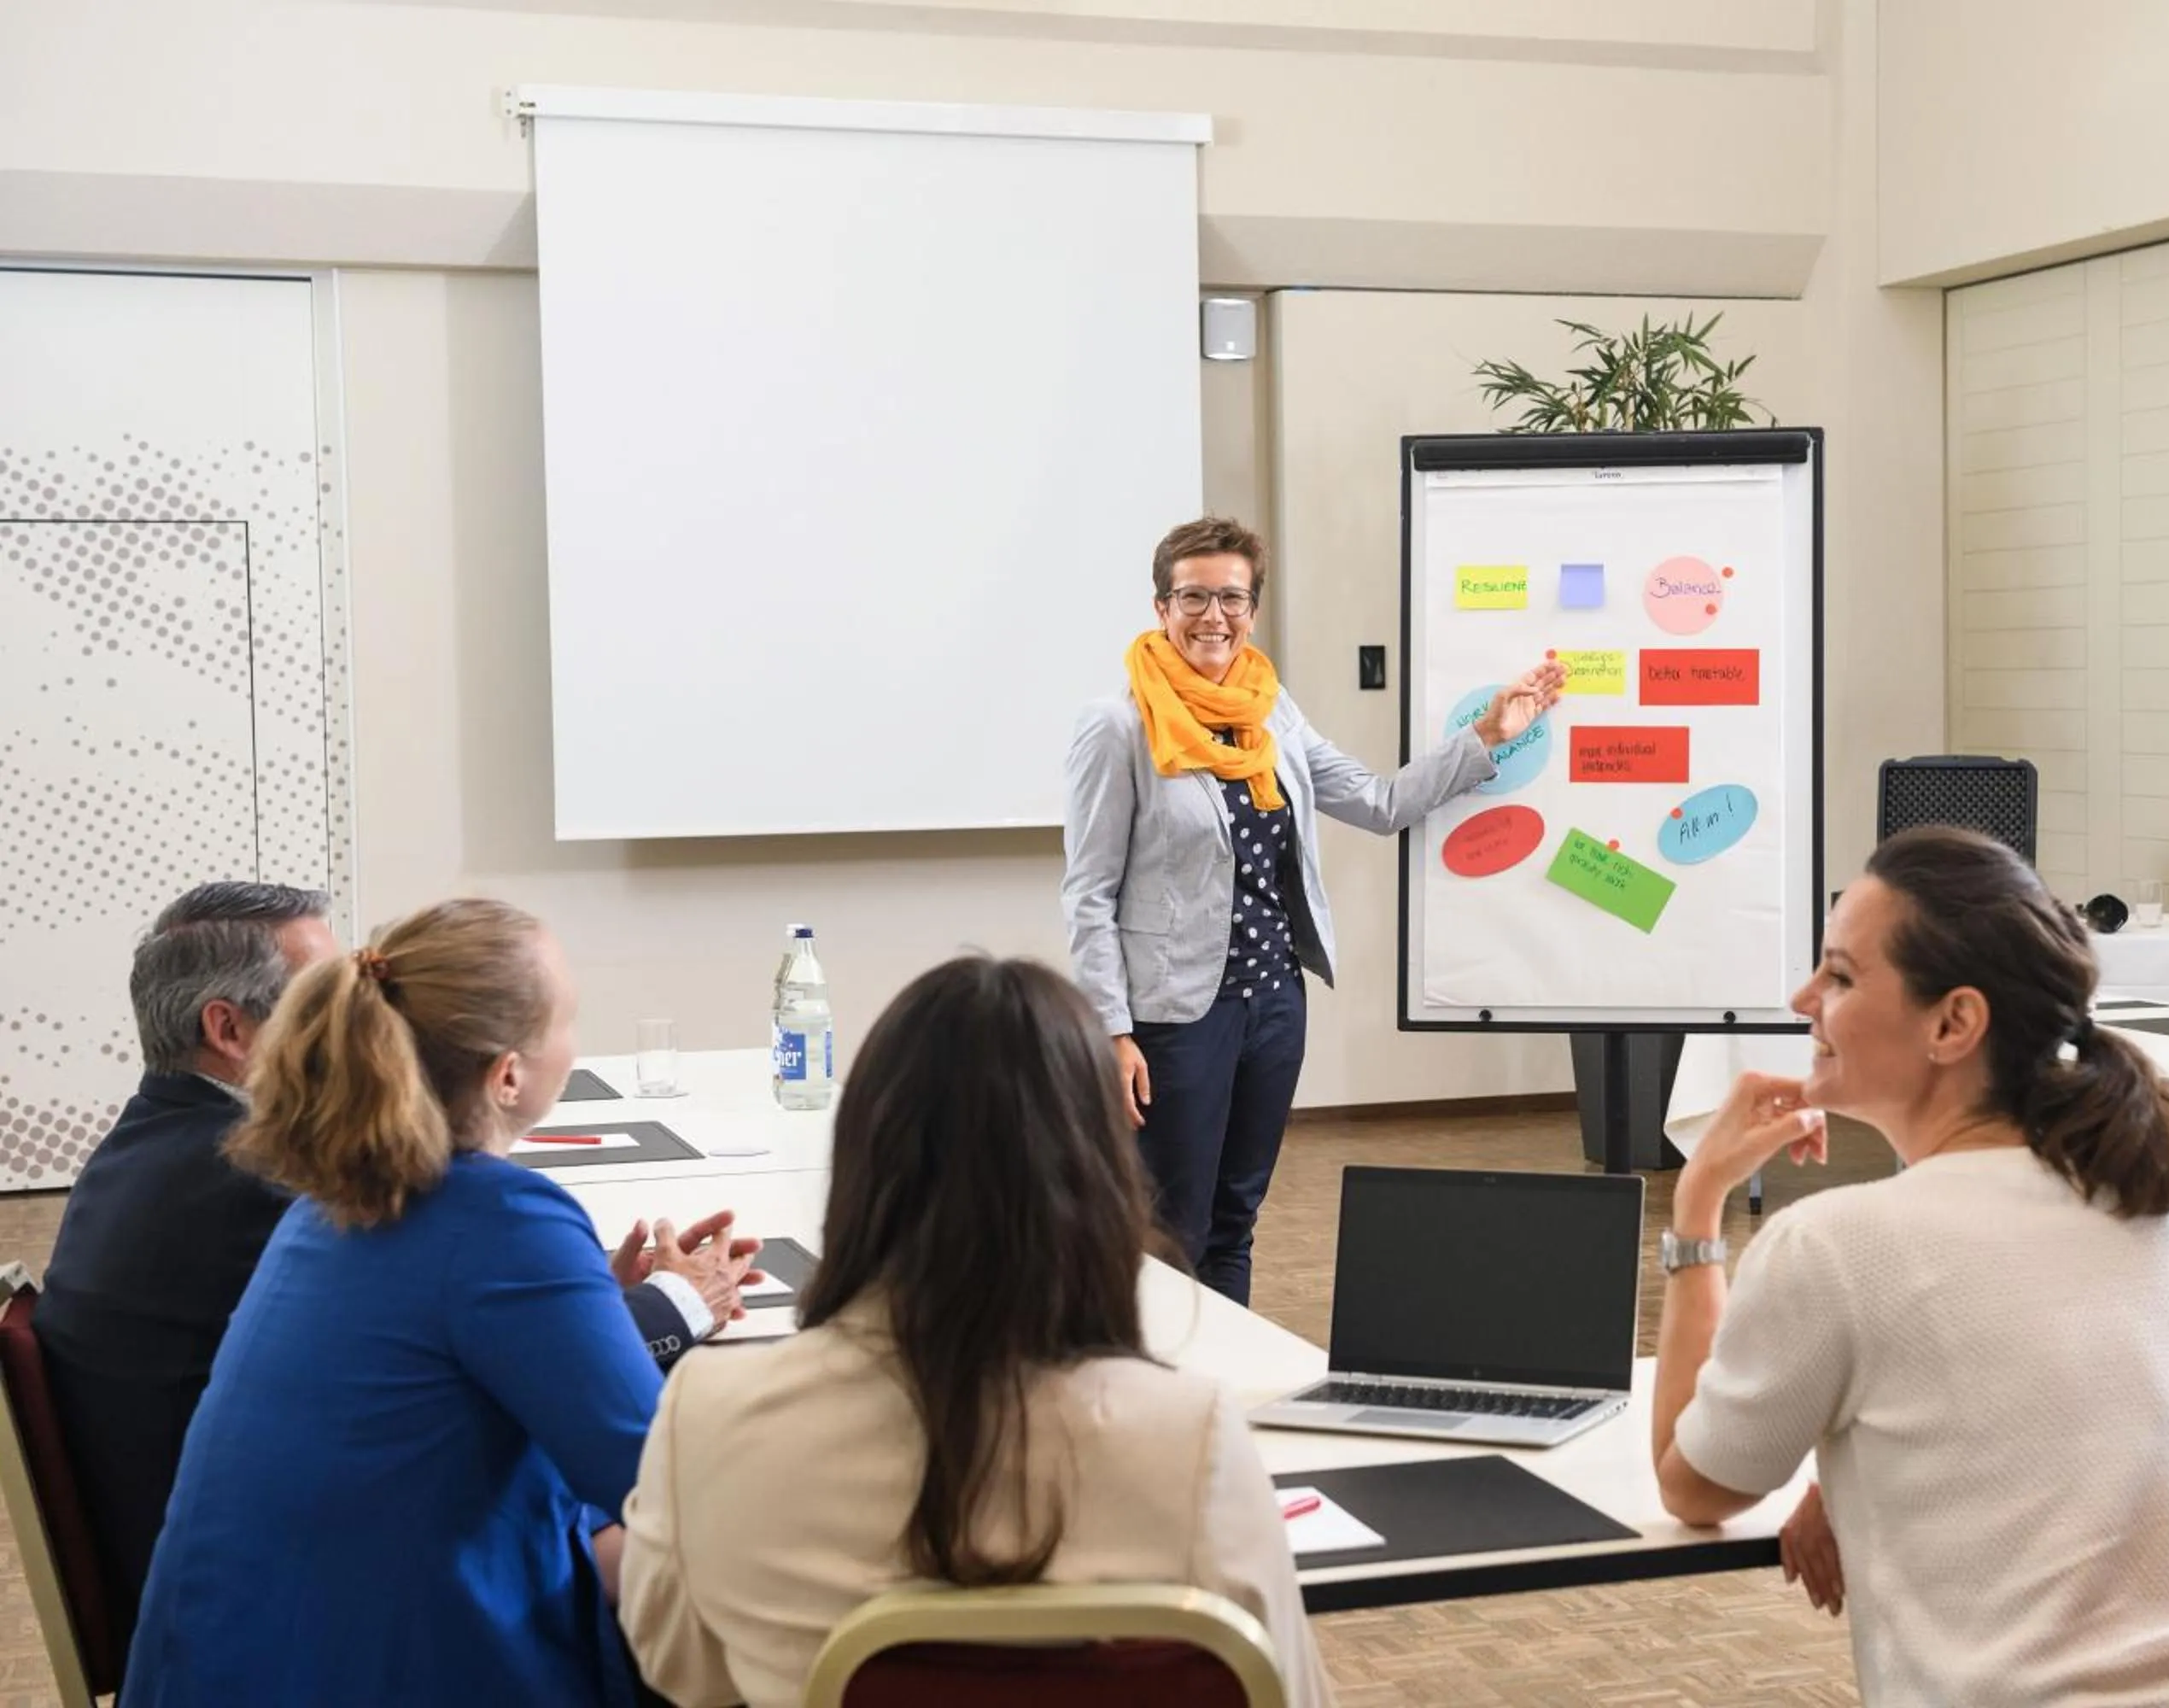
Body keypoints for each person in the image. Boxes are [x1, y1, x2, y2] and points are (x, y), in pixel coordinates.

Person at [35, 883, 756, 1659]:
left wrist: (587, 1307)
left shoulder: (291, 1178)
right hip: (330, 1632)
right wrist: (678, 1308)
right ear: (508, 1074)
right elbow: (658, 1485)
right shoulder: (339, 1190)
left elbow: (424, 1338)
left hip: (236, 1611)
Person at [619, 955, 1332, 1708]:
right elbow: (1284, 1695)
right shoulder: (1194, 1441)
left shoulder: (713, 1410)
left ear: (863, 1164)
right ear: (1101, 1178)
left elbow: (682, 1674)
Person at [1650, 827, 2169, 1708]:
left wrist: (1697, 1209)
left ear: (1954, 1021)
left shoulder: (1839, 1242)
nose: (1803, 996)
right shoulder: (2151, 1194)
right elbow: (2025, 1410)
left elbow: (1693, 1484)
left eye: (1841, 976)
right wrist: (1858, 1470)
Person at [1062, 515, 1562, 1302]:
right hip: (1174, 1015)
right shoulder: (1119, 726)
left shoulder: (1272, 712)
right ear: (1161, 607)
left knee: (1236, 1218)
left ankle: (1225, 1392)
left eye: (1231, 598)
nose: (1213, 617)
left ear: (1253, 610)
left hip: (1273, 1004)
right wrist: (1114, 1029)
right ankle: (1153, 1399)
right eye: (1193, 597)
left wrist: (1489, 735)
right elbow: (1088, 894)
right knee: (1169, 1226)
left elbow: (1378, 801)